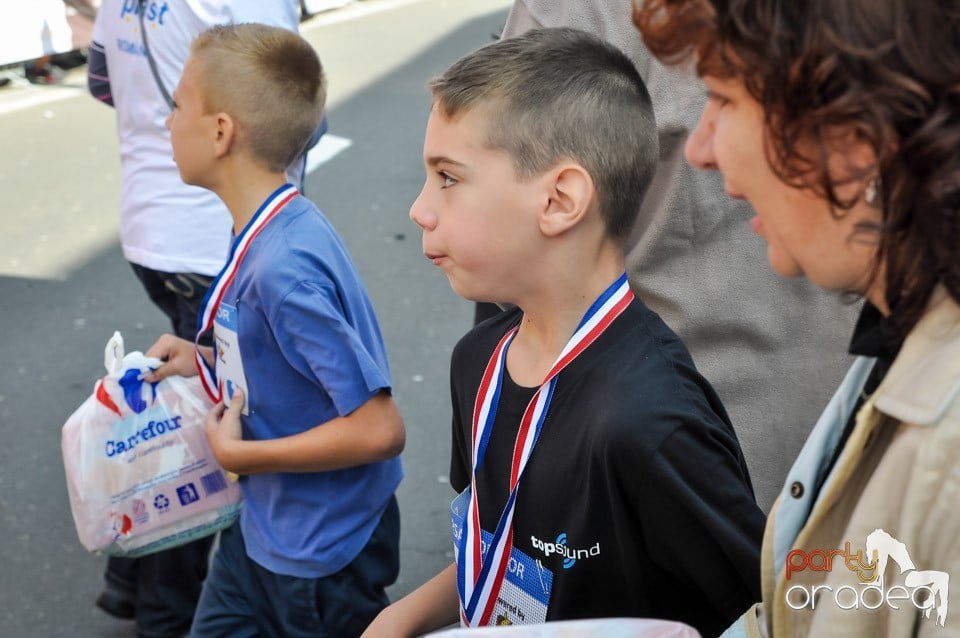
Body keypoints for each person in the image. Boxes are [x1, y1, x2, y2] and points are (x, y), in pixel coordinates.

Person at [362, 27, 765, 638]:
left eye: (447, 177)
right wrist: (399, 618)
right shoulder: (477, 360)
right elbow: (497, 543)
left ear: (559, 200)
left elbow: (762, 603)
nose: (420, 207)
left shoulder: (647, 421)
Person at [634, 0, 960, 635]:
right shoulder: (900, 336)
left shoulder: (948, 453)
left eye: (723, 99)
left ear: (853, 141)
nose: (700, 148)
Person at [493, 0, 859, 514]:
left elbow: (509, 245)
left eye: (727, 102)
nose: (703, 148)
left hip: (684, 457)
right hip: (741, 443)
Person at [140, 22, 405, 637]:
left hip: (320, 550)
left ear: (221, 131)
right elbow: (282, 360)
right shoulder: (267, 224)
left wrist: (241, 455)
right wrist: (200, 356)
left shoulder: (283, 266)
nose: (167, 120)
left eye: (178, 105)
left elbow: (378, 427)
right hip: (262, 526)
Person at [85, 2, 314, 636]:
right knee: (203, 442)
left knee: (198, 407)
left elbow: (102, 81)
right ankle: (164, 614)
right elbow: (292, 106)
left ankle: (132, 584)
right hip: (206, 234)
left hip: (150, 225)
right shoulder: (284, 262)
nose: (168, 122)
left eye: (178, 112)